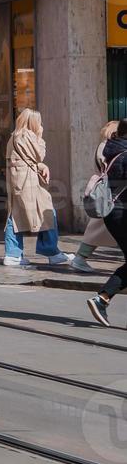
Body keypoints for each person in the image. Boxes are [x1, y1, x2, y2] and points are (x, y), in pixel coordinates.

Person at [1, 108, 69, 268]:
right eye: (39, 122)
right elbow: (39, 154)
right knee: (45, 212)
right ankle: (48, 251)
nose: (41, 124)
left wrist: (40, 166)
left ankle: (15, 253)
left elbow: (30, 159)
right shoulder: (25, 136)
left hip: (23, 181)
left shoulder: (16, 136)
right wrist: (40, 137)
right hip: (26, 182)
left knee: (17, 214)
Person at [87, 120, 127, 326]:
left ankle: (102, 299)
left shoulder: (114, 151)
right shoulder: (125, 155)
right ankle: (102, 298)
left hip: (114, 214)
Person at [71, 121, 121, 273]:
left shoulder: (105, 146)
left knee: (98, 228)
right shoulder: (109, 147)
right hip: (111, 194)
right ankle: (79, 258)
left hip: (110, 194)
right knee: (99, 228)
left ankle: (80, 258)